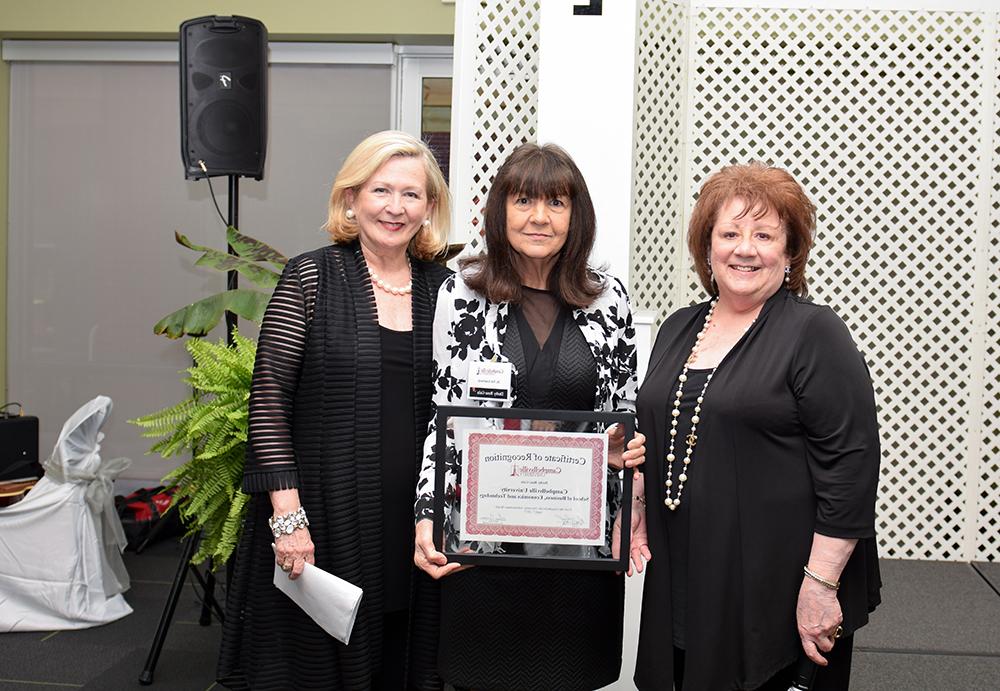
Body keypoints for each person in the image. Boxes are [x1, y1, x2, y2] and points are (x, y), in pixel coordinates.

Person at [626, 162, 882, 690]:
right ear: (708, 247)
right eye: (730, 233)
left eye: (764, 235)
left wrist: (820, 586)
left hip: (776, 592)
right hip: (686, 579)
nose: (745, 248)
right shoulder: (679, 327)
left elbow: (851, 470)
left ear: (790, 253)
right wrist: (638, 495)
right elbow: (666, 431)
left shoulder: (814, 333)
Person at [217, 130, 453, 690]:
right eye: (381, 190)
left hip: (414, 521)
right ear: (351, 199)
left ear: (429, 208)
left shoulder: (446, 292)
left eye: (412, 195)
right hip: (323, 517)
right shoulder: (310, 277)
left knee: (402, 661)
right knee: (317, 667)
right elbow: (269, 399)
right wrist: (288, 517)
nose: (395, 208)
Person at [413, 142, 646, 691]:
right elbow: (442, 419)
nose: (539, 217)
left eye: (557, 203)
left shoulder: (607, 299)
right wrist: (426, 514)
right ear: (500, 211)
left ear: (576, 215)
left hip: (577, 552)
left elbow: (623, 420)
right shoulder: (461, 292)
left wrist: (626, 471)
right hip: (483, 547)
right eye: (523, 201)